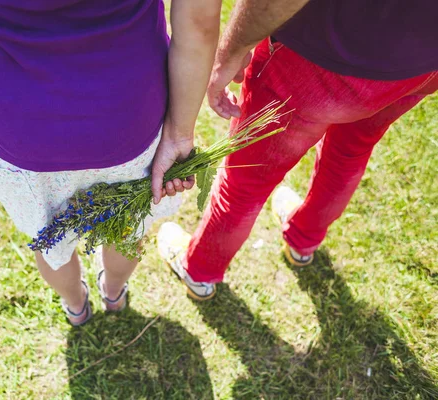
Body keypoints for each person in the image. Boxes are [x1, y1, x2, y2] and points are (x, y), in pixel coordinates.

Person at [0, 0, 222, 325]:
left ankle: (76, 307)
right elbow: (199, 21)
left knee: (49, 237)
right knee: (126, 230)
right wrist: (180, 132)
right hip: (126, 112)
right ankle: (114, 294)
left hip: (14, 118)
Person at [158, 0, 438, 300]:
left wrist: (231, 51)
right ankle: (303, 240)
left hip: (324, 54)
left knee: (248, 177)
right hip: (422, 62)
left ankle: (200, 270)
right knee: (351, 150)